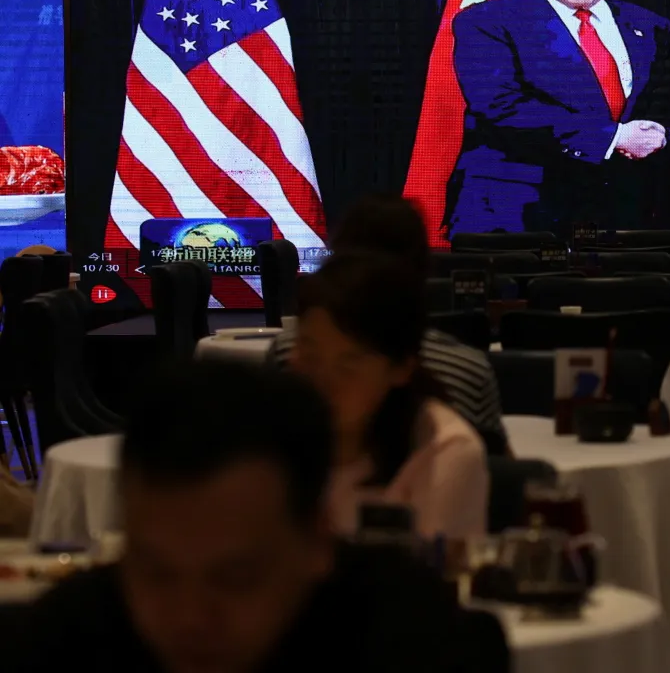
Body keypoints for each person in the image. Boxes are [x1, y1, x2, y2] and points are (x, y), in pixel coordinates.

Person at [5, 359, 508, 672]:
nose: (190, 617)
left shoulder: (417, 644)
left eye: (235, 578)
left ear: (318, 539)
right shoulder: (63, 645)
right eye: (155, 573)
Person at [447, 0, 670, 234]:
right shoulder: (487, 21)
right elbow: (500, 105)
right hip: (518, 207)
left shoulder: (649, 25)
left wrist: (659, 132)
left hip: (624, 207)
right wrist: (614, 137)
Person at [268, 193, 508, 455]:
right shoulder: (469, 370)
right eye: (312, 356)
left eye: (350, 363)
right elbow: (498, 475)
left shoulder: (284, 354)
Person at [291, 251, 488, 539]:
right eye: (309, 356)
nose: (322, 380)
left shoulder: (441, 451)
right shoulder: (263, 437)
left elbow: (429, 581)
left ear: (401, 369)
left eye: (348, 364)